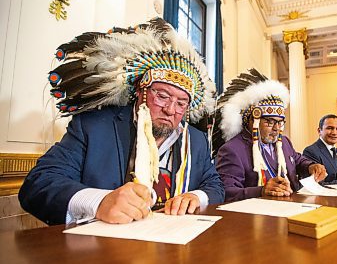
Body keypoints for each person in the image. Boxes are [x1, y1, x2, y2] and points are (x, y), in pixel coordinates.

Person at [19, 18, 224, 225]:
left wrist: (198, 197)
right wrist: (100, 202)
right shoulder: (96, 127)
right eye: (162, 96)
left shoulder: (195, 141)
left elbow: (215, 185)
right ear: (140, 91)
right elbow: (39, 184)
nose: (170, 110)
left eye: (181, 103)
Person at [214, 69, 327, 202]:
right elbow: (226, 191)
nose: (277, 128)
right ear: (252, 120)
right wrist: (261, 190)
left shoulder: (284, 142)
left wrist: (310, 166)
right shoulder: (232, 149)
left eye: (280, 122)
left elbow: (296, 159)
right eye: (269, 122)